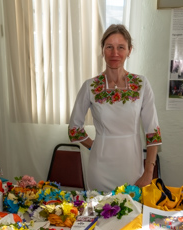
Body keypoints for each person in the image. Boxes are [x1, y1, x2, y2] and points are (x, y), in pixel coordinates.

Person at [68, 24, 162, 192]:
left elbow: (152, 131)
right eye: (109, 47)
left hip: (132, 167)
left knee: (132, 214)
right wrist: (95, 145)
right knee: (99, 214)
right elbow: (74, 129)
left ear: (129, 50)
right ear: (103, 50)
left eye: (121, 47)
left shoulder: (141, 84)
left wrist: (149, 172)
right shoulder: (90, 86)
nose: (115, 53)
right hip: (99, 169)